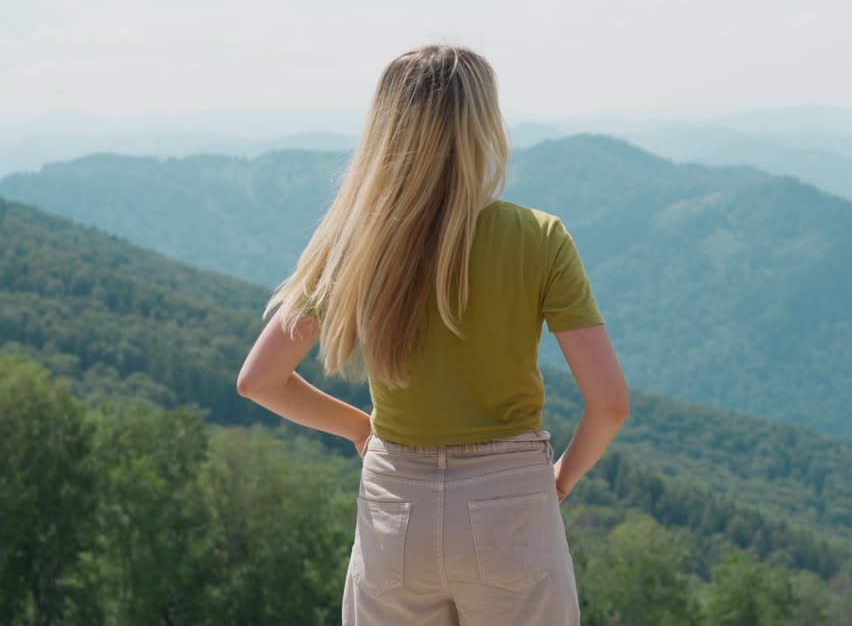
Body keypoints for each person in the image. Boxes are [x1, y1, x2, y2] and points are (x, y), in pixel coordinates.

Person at [235, 44, 630, 625]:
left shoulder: (356, 243)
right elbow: (610, 404)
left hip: (396, 505)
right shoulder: (540, 237)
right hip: (511, 504)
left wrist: (359, 427)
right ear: (483, 127)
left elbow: (259, 380)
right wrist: (561, 480)